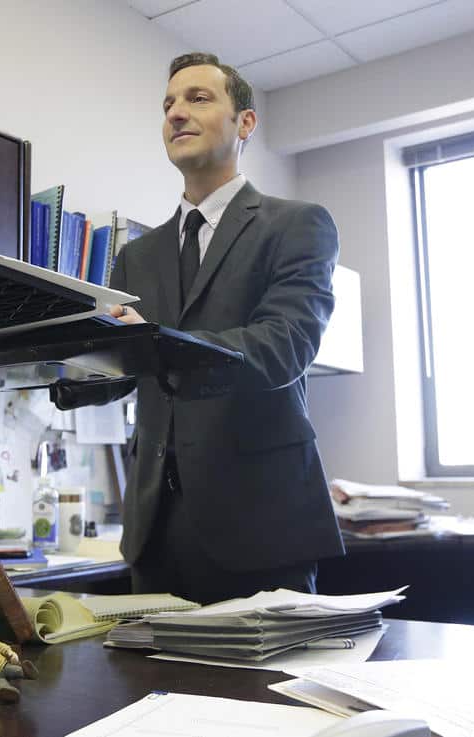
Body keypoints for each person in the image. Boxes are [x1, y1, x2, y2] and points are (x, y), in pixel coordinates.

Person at [106, 52, 344, 604]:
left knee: (261, 693)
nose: (176, 113)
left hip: (261, 530)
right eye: (168, 103)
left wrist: (154, 343)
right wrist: (57, 348)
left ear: (245, 123)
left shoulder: (297, 224)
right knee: (150, 691)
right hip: (153, 537)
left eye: (198, 98)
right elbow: (121, 372)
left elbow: (284, 347)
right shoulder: (137, 256)